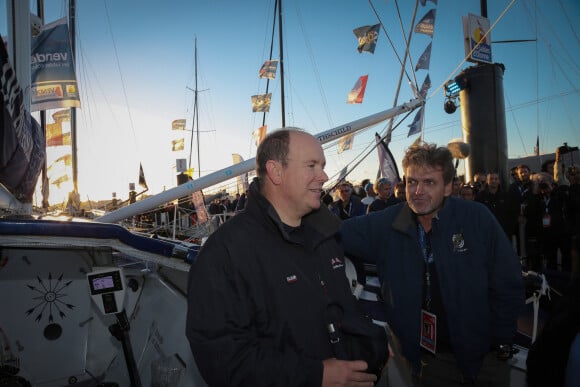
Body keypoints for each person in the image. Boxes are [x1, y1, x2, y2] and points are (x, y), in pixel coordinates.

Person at [186, 128, 382, 387]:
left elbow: (341, 309)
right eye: (312, 165)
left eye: (322, 166)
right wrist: (317, 376)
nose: (323, 175)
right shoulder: (225, 254)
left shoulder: (326, 234)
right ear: (276, 172)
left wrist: (372, 343)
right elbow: (222, 360)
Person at [339, 142, 525, 387]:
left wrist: (501, 343)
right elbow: (332, 232)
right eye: (412, 182)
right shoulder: (387, 223)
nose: (418, 191)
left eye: (429, 183)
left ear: (448, 187)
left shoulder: (477, 218)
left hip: (486, 361)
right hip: (428, 364)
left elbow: (508, 283)